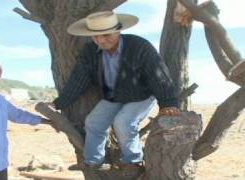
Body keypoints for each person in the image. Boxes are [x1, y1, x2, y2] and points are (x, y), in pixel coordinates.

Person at [48, 11, 181, 171]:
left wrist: (168, 103)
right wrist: (58, 103)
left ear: (118, 31)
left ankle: (133, 162)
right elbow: (78, 81)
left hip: (142, 95)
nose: (100, 40)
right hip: (113, 97)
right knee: (93, 123)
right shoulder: (90, 52)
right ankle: (93, 162)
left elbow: (158, 74)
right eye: (95, 36)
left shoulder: (139, 46)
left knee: (123, 122)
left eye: (106, 35)